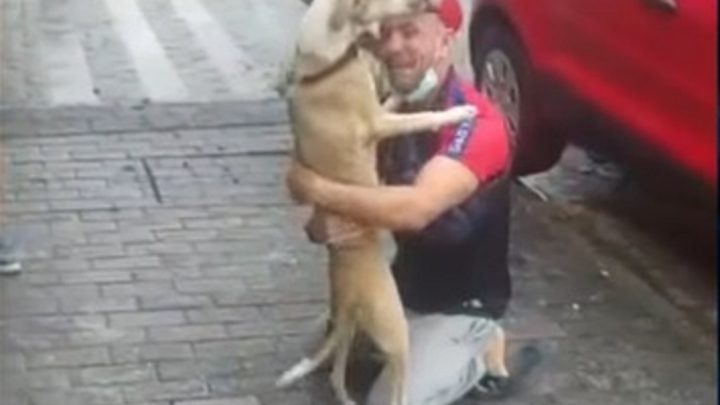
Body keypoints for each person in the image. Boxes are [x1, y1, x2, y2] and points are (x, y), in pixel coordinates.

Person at [286, 0, 515, 403]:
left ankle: (482, 346)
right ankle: (409, 337)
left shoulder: (476, 122)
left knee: (387, 400)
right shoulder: (384, 108)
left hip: (463, 305)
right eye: (385, 33)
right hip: (400, 287)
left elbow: (415, 209)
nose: (393, 47)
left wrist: (316, 188)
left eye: (409, 32)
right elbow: (331, 208)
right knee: (320, 354)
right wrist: (324, 222)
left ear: (445, 39)